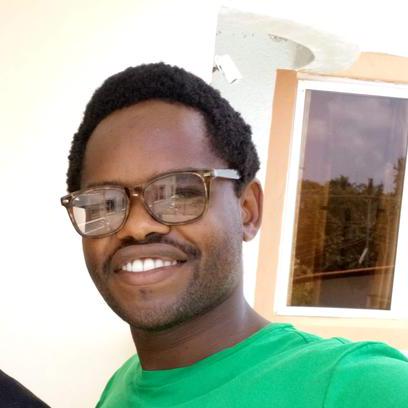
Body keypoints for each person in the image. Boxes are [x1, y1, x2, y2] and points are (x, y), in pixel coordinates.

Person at [61, 63, 408, 407]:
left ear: (247, 210)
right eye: (105, 203)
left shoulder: (356, 386)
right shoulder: (121, 387)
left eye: (180, 193)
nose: (137, 226)